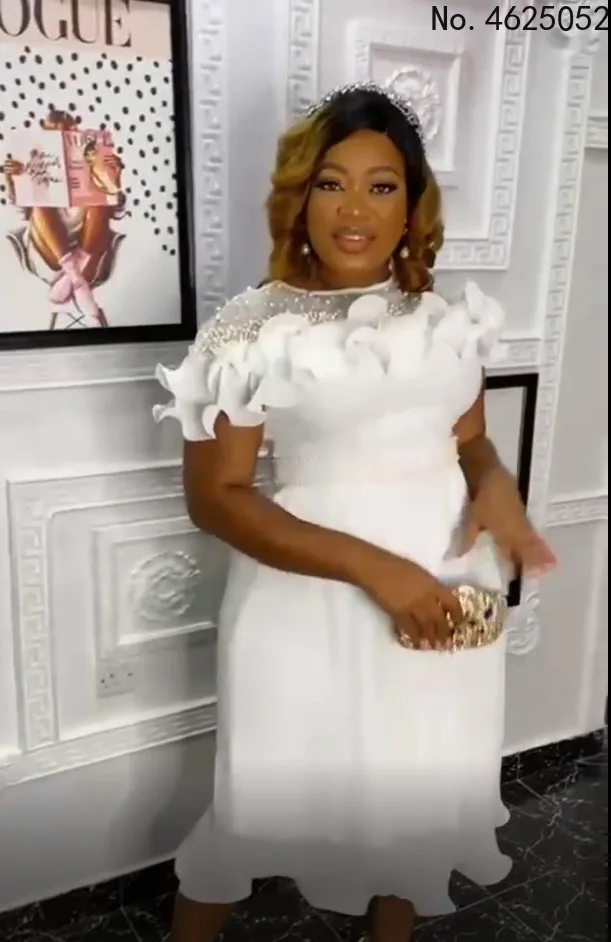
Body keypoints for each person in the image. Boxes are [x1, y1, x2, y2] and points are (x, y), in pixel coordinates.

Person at [153, 82, 557, 942]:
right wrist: (380, 572)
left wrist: (495, 485)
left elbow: (468, 440)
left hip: (444, 591)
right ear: (299, 196)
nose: (355, 209)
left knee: (413, 804)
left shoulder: (443, 320)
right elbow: (214, 497)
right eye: (331, 183)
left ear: (412, 206)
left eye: (382, 186)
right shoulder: (251, 328)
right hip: (309, 603)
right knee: (255, 807)